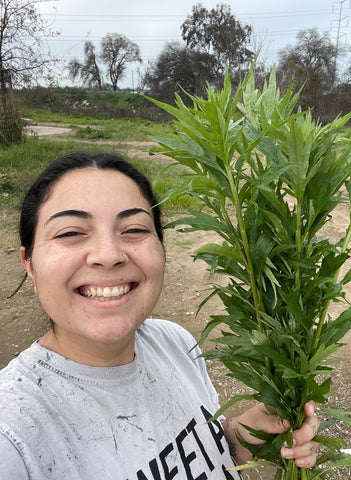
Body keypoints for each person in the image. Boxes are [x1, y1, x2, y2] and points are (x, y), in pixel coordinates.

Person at [0, 152, 319, 479]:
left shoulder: (175, 342)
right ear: (28, 262)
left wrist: (246, 435)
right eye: (70, 233)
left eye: (134, 229)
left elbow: (203, 455)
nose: (109, 255)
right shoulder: (13, 435)